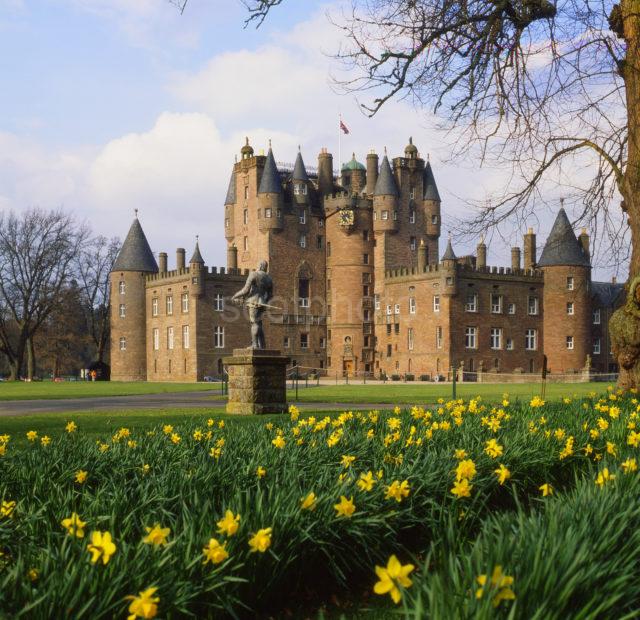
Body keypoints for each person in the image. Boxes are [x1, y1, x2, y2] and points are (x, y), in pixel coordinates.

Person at [231, 260, 274, 349]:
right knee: (259, 323)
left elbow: (245, 290)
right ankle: (262, 345)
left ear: (260, 266)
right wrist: (264, 302)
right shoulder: (269, 279)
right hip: (262, 303)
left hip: (253, 302)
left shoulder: (253, 274)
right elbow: (270, 295)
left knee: (254, 323)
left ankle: (255, 345)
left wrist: (235, 295)